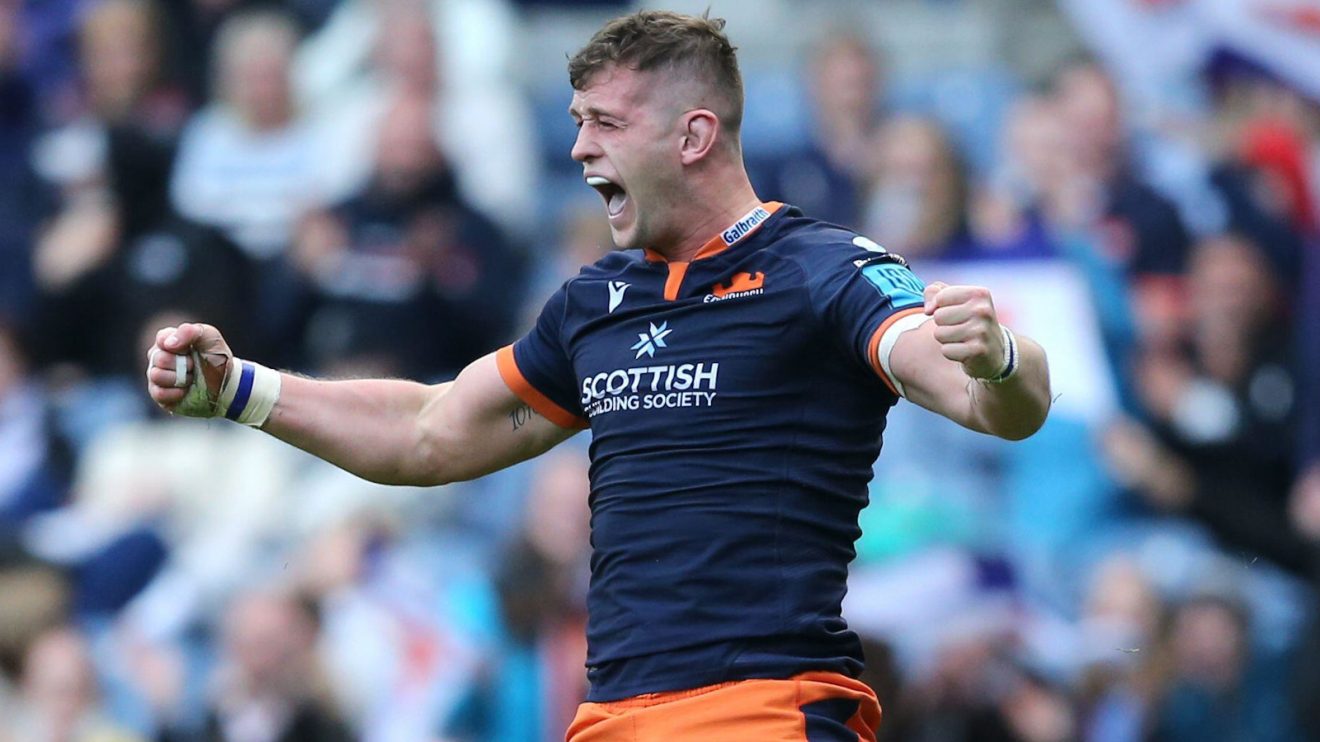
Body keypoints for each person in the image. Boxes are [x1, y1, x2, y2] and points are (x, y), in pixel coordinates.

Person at [144, 11, 1051, 740]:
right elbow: (427, 432)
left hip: (762, 713)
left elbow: (990, 401)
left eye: (606, 125)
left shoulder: (824, 270)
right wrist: (239, 389)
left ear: (694, 134)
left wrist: (1000, 355)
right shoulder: (595, 302)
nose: (579, 152)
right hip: (609, 719)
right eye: (577, 124)